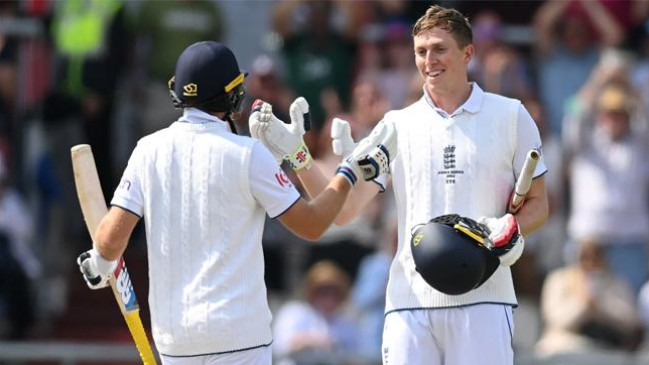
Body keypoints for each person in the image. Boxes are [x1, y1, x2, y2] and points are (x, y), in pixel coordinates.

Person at [251, 5, 549, 364]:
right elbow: (344, 210)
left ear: (468, 53)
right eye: (421, 52)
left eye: (439, 49)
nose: (429, 60)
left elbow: (539, 204)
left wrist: (508, 228)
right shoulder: (396, 124)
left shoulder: (511, 115)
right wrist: (298, 155)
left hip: (485, 298)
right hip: (410, 301)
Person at [75, 41, 396, 364]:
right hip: (239, 336)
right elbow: (312, 225)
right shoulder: (249, 154)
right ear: (232, 94)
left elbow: (110, 241)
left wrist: (98, 263)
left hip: (175, 339)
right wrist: (347, 172)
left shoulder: (148, 150)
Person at [536, 240, 640, 355]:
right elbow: (557, 321)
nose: (590, 263)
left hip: (607, 350)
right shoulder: (558, 280)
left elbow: (630, 322)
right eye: (585, 258)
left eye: (596, 256)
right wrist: (582, 304)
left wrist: (600, 305)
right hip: (564, 349)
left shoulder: (617, 283)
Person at [273, 260, 359, 364]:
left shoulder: (346, 324)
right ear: (312, 291)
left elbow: (355, 355)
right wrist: (313, 341)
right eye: (323, 292)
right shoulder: (294, 312)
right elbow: (280, 346)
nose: (329, 298)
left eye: (334, 293)